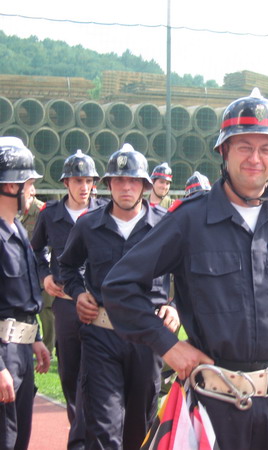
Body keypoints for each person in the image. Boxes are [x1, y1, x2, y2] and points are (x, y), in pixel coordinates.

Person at [102, 88, 268, 450]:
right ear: (224, 151)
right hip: (212, 406)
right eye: (244, 146)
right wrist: (168, 346)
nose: (255, 158)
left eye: (266, 149)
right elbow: (119, 286)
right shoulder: (189, 220)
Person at [58, 144, 180, 449]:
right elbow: (67, 266)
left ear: (144, 185)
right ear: (108, 184)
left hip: (148, 338)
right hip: (101, 336)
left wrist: (176, 306)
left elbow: (190, 274)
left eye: (133, 181)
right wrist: (78, 293)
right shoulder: (88, 225)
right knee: (103, 426)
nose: (126, 187)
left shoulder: (166, 225)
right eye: (119, 180)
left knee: (140, 427)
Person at [30, 149, 104, 449]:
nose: (84, 187)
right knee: (70, 369)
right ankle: (79, 431)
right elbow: (35, 251)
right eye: (77, 180)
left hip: (100, 305)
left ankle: (94, 432)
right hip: (65, 302)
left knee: (100, 369)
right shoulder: (50, 215)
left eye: (88, 181)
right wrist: (45, 276)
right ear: (66, 183)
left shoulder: (105, 212)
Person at [0, 137, 51, 450]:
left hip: (20, 352)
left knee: (19, 439)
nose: (33, 191)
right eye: (29, 183)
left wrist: (35, 338)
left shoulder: (17, 229)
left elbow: (21, 299)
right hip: (3, 354)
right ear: (10, 186)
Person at [17, 182, 55, 356]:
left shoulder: (42, 211)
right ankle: (25, 346)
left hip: (43, 271)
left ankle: (48, 348)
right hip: (22, 272)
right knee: (24, 310)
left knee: (47, 311)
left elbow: (52, 243)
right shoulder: (16, 212)